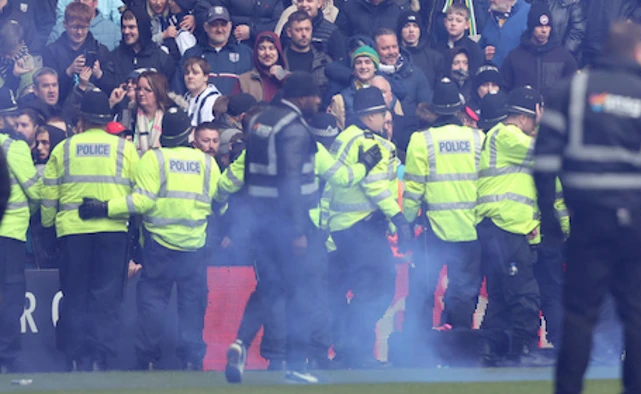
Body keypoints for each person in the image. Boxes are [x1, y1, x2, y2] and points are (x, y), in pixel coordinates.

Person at [534, 21, 641, 394]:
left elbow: (544, 160)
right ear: (638, 52)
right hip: (634, 224)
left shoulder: (573, 91)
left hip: (587, 222)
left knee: (580, 317)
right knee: (637, 317)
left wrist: (550, 217)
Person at [79, 107, 220, 370]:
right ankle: (191, 359)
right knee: (193, 304)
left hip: (159, 245)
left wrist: (104, 207)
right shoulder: (209, 164)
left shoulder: (154, 160)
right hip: (195, 245)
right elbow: (218, 202)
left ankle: (147, 359)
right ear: (189, 133)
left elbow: (141, 201)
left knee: (153, 303)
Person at [224, 72, 331, 384]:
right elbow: (292, 180)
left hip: (260, 220)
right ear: (300, 97)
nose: (318, 101)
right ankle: (296, 364)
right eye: (314, 96)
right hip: (288, 222)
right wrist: (298, 230)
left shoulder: (261, 121)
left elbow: (250, 172)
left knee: (269, 288)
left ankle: (240, 342)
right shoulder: (294, 127)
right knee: (303, 292)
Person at [40, 90, 139, 371]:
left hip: (73, 233)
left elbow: (49, 196)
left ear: (80, 119)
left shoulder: (64, 149)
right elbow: (140, 194)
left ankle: (74, 357)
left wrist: (49, 229)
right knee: (106, 297)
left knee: (74, 295)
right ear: (107, 121)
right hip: (113, 231)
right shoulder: (125, 149)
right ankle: (100, 357)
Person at [322, 85, 411, 368]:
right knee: (380, 286)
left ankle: (347, 348)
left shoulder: (346, 137)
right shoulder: (370, 142)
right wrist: (398, 218)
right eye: (383, 113)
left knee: (359, 288)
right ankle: (354, 350)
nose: (385, 119)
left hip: (344, 228)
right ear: (373, 115)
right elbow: (374, 185)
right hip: (361, 226)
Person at [401, 77, 483, 348]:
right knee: (463, 291)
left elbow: (413, 190)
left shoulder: (421, 140)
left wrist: (406, 223)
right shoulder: (477, 138)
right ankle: (458, 346)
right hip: (471, 229)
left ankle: (417, 347)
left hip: (433, 231)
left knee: (423, 289)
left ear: (434, 109)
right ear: (460, 107)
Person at [474, 85, 546, 366]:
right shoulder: (507, 134)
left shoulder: (504, 137)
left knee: (502, 296)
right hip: (504, 227)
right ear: (528, 116)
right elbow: (543, 151)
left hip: (501, 227)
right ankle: (524, 349)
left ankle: (490, 349)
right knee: (524, 293)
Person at [0, 93, 39, 374]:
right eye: (12, 115)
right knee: (10, 296)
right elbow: (35, 190)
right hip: (9, 234)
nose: (16, 121)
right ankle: (6, 357)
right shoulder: (14, 147)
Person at [500, 1, 576, 97]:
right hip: (523, 111)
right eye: (539, 26)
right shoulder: (514, 58)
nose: (544, 30)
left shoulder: (564, 58)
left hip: (553, 111)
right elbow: (504, 90)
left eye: (547, 26)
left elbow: (573, 91)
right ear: (531, 27)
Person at [42, 1, 111, 103]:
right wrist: (68, 72)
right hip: (61, 107)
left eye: (83, 27)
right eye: (74, 27)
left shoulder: (100, 50)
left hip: (93, 107)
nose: (79, 32)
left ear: (89, 25)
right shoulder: (51, 52)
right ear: (65, 24)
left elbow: (111, 87)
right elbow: (48, 90)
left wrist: (99, 75)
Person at [178, 6, 254, 94]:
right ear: (206, 27)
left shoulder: (246, 54)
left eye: (223, 24)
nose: (219, 29)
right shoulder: (191, 54)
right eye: (214, 25)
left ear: (230, 26)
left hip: (236, 107)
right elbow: (178, 89)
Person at [373, 28, 432, 115]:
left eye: (394, 47)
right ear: (375, 50)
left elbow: (426, 107)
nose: (391, 52)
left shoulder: (416, 73)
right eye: (385, 48)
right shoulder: (370, 76)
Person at [481, 0, 529, 68]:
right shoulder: (491, 17)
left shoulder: (529, 14)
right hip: (494, 80)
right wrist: (483, 54)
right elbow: (480, 46)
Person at [282, 10, 332, 97]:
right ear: (289, 32)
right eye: (298, 30)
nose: (304, 34)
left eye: (307, 29)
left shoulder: (324, 60)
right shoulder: (280, 60)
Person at [235, 31, 288, 102]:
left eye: (271, 48)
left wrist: (283, 78)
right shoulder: (244, 81)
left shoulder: (291, 78)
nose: (267, 53)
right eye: (262, 48)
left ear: (278, 52)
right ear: (256, 52)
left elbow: (300, 102)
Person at [397, 11, 442, 87]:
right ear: (400, 31)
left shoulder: (435, 58)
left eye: (415, 26)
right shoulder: (394, 56)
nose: (411, 30)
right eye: (407, 26)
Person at [183, 57, 220, 126]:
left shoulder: (212, 100)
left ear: (205, 77)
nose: (190, 76)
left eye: (195, 73)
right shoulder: (186, 97)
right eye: (187, 73)